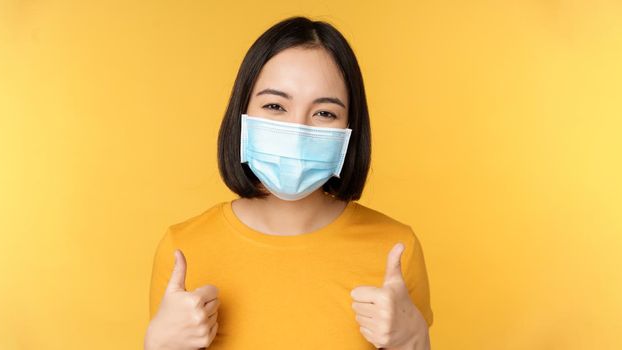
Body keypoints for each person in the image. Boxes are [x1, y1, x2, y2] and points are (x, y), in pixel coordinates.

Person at [144, 16, 434, 349]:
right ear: (243, 114)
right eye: (275, 106)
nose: (297, 131)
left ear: (349, 130)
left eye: (324, 112)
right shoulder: (182, 249)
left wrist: (415, 341)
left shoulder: (396, 250)